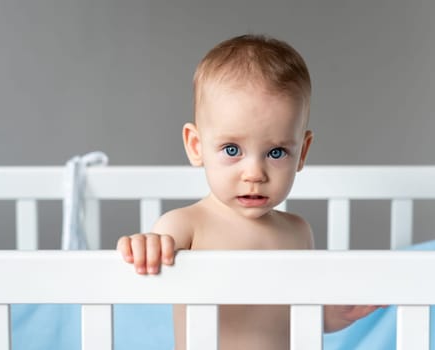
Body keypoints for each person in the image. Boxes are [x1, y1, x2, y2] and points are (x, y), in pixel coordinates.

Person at [117, 34, 382, 350]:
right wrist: (146, 245)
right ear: (196, 146)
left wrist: (333, 316)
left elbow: (295, 312)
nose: (255, 173)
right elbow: (155, 254)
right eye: (232, 149)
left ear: (303, 152)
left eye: (276, 152)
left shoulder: (298, 232)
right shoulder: (186, 226)